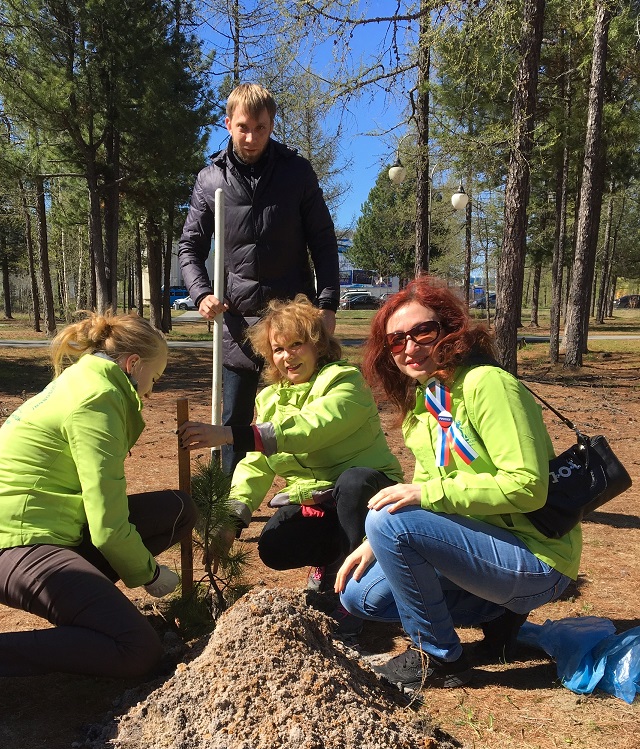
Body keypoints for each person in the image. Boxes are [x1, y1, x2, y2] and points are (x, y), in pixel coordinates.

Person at [0, 312, 197, 726]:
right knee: (137, 649)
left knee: (179, 509)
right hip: (11, 545)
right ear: (132, 364)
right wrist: (149, 573)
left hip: (53, 531)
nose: (152, 391)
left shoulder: (87, 383)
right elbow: (106, 524)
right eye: (154, 379)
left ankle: (90, 613)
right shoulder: (97, 400)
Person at [336, 277, 583, 691]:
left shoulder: (488, 384)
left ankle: (435, 655)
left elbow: (527, 487)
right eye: (396, 341)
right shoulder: (426, 404)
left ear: (451, 331)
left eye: (422, 332)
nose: (410, 348)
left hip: (537, 556)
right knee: (359, 596)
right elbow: (429, 490)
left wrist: (420, 499)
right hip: (486, 553)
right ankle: (499, 617)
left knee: (387, 522)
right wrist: (372, 544)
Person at [179, 295, 403, 635]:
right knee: (274, 546)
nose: (287, 356)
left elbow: (312, 429)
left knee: (353, 483)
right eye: (278, 349)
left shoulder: (345, 381)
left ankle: (363, 597)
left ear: (318, 345)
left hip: (370, 496)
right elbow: (257, 465)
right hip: (316, 500)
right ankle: (330, 562)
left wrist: (229, 434)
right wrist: (231, 519)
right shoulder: (270, 398)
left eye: (296, 345)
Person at [178, 82, 340, 476]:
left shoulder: (296, 173)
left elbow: (323, 240)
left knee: (301, 414)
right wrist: (201, 293)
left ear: (272, 125)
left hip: (292, 321)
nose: (252, 138)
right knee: (233, 419)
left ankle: (308, 491)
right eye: (244, 127)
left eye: (261, 128)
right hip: (236, 322)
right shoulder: (210, 179)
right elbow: (190, 247)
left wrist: (328, 302)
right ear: (228, 123)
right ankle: (229, 504)